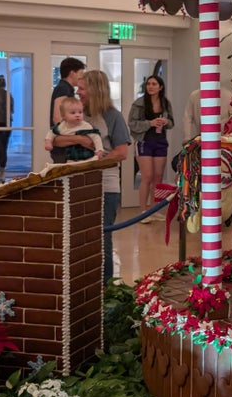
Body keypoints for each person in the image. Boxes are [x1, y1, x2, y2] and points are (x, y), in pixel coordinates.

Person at [52, 71, 129, 283]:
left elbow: (122, 152)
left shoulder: (113, 116)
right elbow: (57, 139)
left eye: (82, 88)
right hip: (76, 184)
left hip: (106, 186)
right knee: (75, 236)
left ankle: (105, 286)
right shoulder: (76, 113)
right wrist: (82, 141)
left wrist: (96, 159)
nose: (78, 92)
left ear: (96, 90)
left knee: (102, 237)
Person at [128, 75, 174, 222]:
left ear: (160, 87)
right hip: (144, 142)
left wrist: (166, 122)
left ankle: (154, 209)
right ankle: (143, 211)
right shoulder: (139, 104)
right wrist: (150, 123)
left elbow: (172, 123)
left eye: (154, 84)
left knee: (158, 177)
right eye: (149, 84)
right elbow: (132, 123)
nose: (151, 86)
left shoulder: (166, 103)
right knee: (147, 176)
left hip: (160, 142)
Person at [49, 57, 86, 162]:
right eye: (80, 73)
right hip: (63, 148)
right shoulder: (63, 89)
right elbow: (58, 117)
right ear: (72, 73)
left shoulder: (65, 88)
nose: (81, 77)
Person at [45, 96, 104, 161]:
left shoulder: (85, 126)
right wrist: (48, 142)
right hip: (71, 158)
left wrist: (99, 150)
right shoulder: (62, 126)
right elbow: (51, 133)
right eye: (73, 113)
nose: (77, 115)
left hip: (87, 157)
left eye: (80, 112)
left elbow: (96, 137)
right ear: (63, 116)